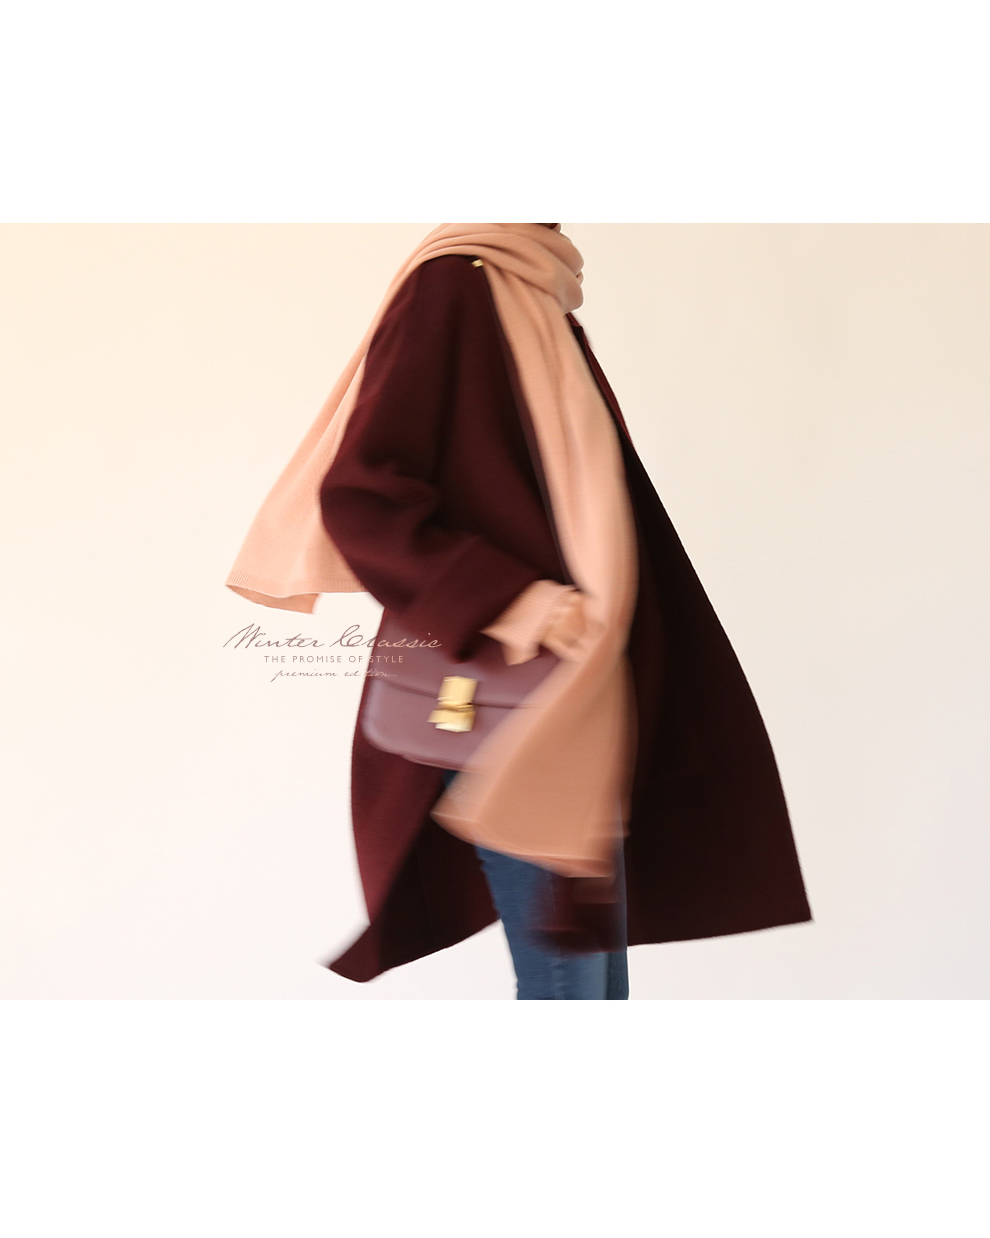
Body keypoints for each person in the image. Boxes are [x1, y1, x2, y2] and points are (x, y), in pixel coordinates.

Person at [225, 223, 813, 1000]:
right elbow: (362, 496)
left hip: (581, 691)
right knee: (572, 991)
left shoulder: (532, 289)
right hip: (515, 697)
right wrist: (518, 604)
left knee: (589, 987)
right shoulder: (456, 285)